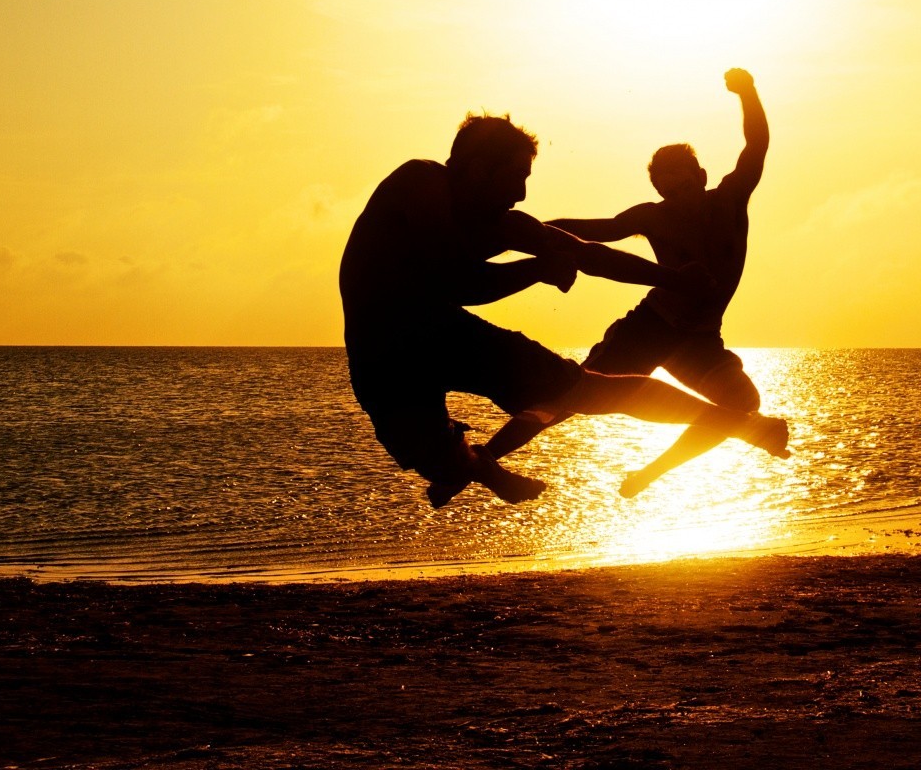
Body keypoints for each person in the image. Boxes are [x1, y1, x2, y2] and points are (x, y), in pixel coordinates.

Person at [339, 110, 791, 507]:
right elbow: (459, 280)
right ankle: (486, 469)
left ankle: (741, 424)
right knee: (448, 468)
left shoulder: (500, 222)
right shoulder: (421, 183)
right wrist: (537, 268)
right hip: (384, 353)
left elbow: (589, 254)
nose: (519, 194)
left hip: (447, 334)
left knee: (587, 390)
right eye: (515, 178)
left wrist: (674, 277)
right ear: (478, 169)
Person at [479, 68, 771, 497]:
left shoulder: (730, 199)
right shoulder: (653, 216)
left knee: (742, 405)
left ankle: (651, 473)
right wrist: (520, 232)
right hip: (650, 328)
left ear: (702, 177)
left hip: (702, 340)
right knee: (569, 396)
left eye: (685, 185)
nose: (679, 201)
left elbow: (757, 145)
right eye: (668, 191)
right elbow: (592, 231)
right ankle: (483, 458)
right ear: (658, 191)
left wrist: (748, 92)